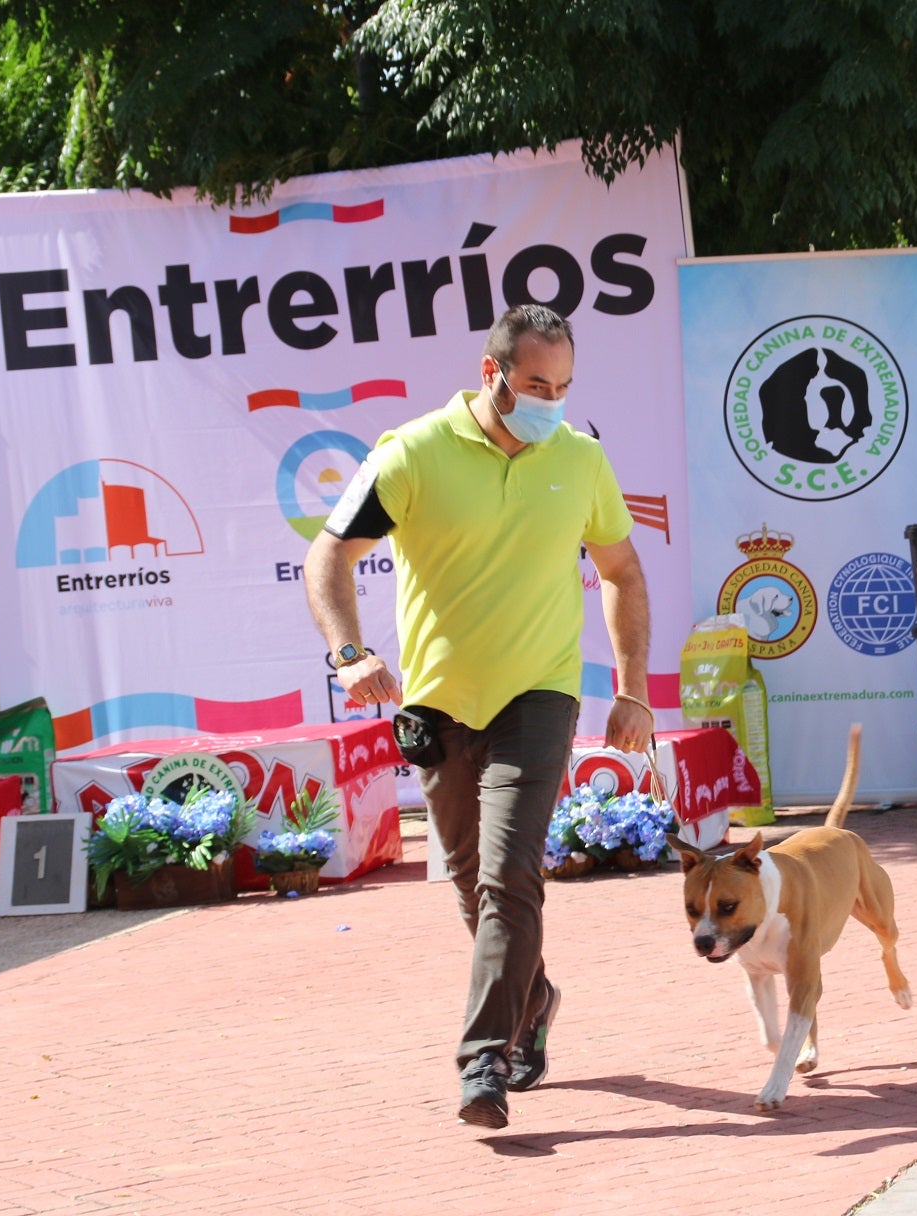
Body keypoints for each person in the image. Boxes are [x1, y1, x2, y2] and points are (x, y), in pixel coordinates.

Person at [303, 304, 653, 1131]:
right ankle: (535, 1000)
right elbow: (330, 554)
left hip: (539, 692)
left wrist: (632, 687)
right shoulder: (412, 451)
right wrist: (349, 653)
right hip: (435, 702)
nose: (552, 402)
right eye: (537, 385)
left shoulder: (581, 458)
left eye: (564, 387)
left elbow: (623, 572)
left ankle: (482, 1062)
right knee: (471, 886)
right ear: (491, 374)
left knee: (509, 875)